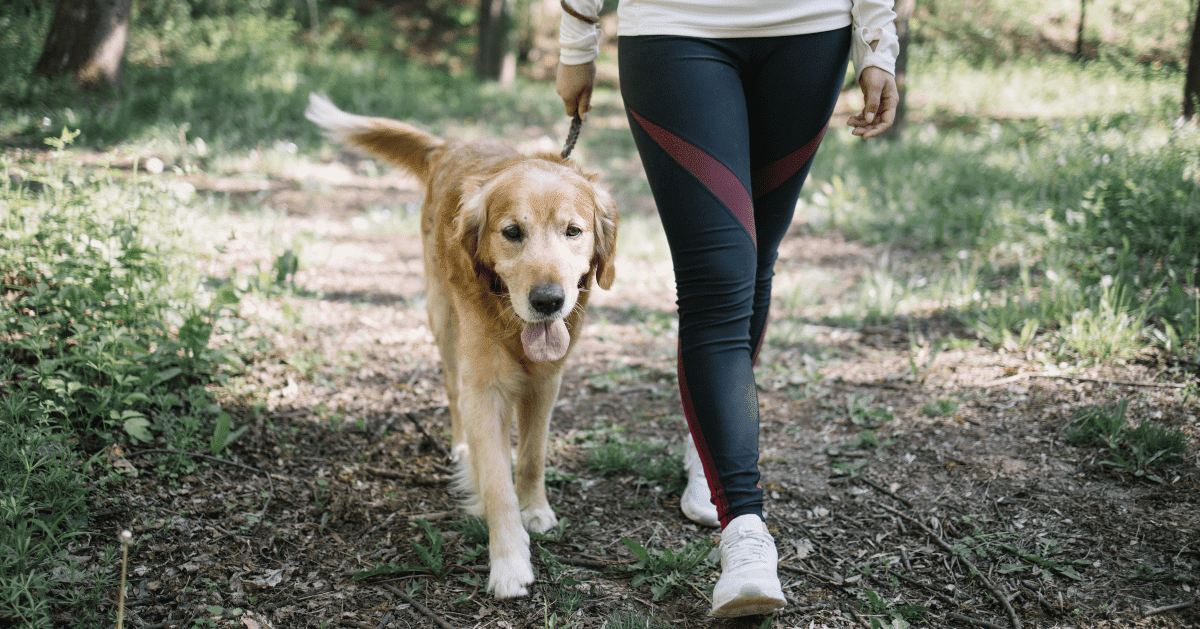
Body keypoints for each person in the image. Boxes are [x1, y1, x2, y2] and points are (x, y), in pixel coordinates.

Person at [556, 0, 899, 618]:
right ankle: (745, 533)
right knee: (718, 278)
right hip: (674, 27)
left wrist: (878, 38)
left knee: (754, 260)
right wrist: (577, 37)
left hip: (808, 28)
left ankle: (706, 438)